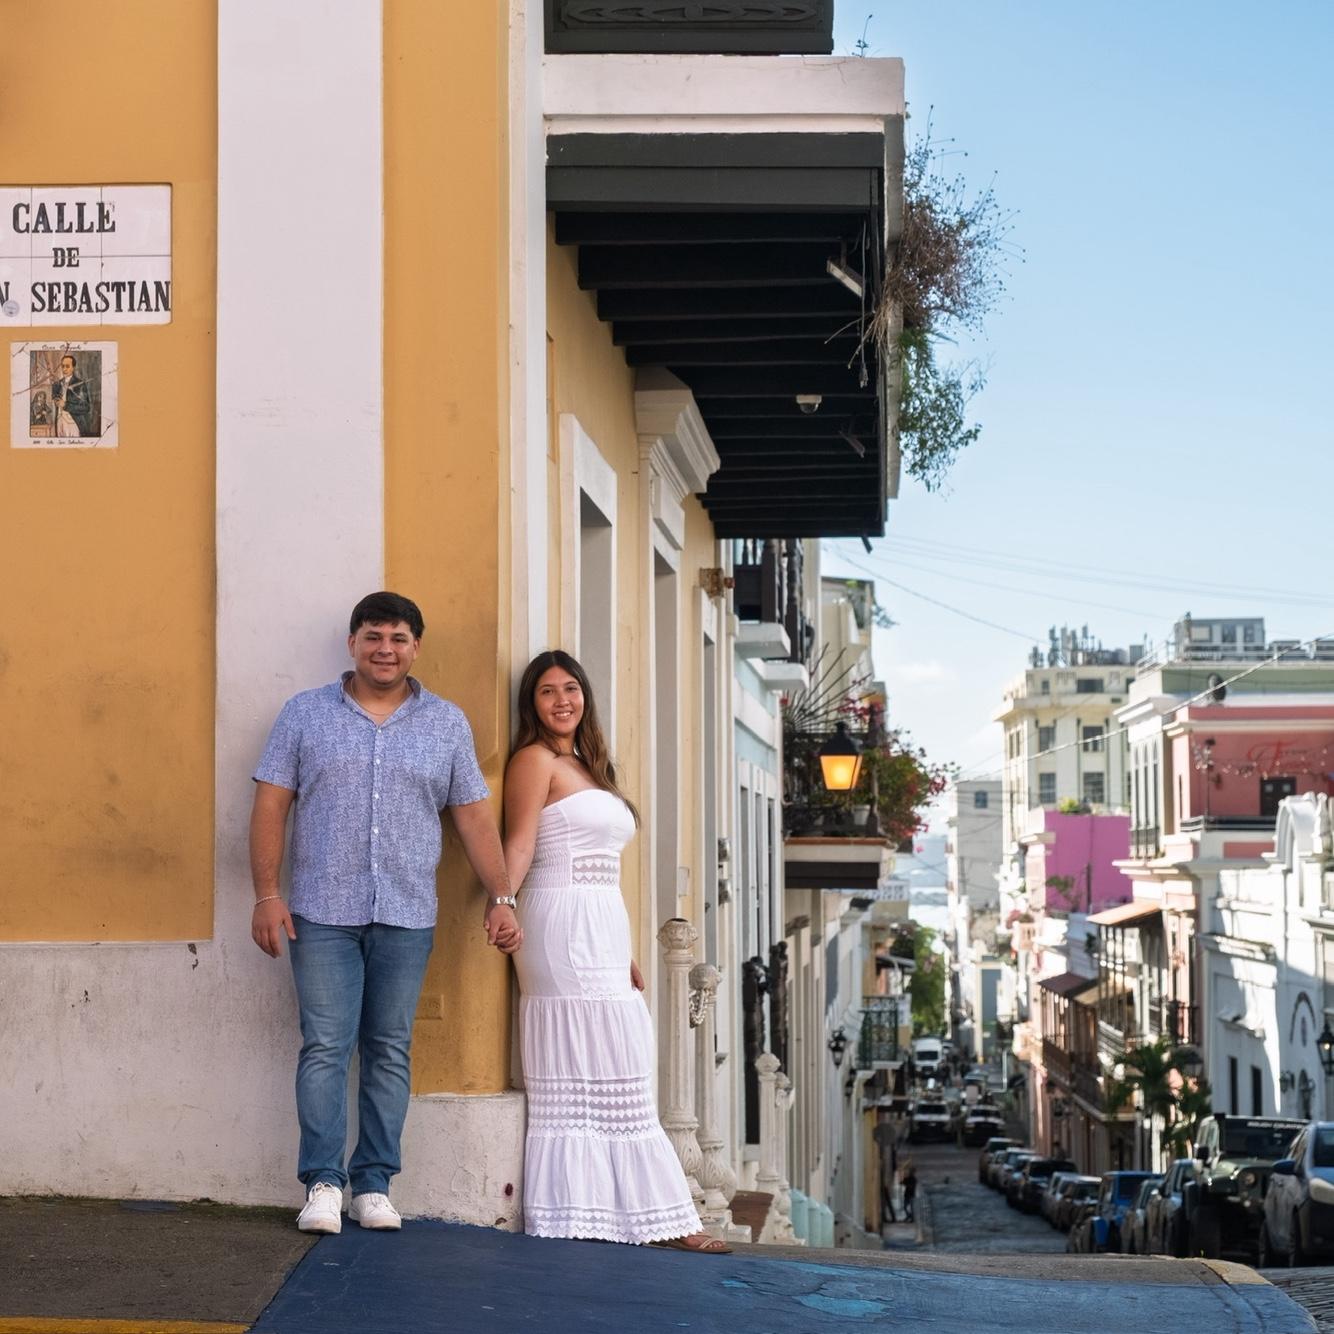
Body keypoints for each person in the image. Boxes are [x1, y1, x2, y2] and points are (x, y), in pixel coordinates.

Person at [249, 591, 519, 1235]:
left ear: (415, 647)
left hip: (406, 912)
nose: (385, 649)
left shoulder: (446, 724)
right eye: (373, 636)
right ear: (353, 643)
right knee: (325, 1046)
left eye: (398, 638)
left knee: (389, 1050)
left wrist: (502, 895)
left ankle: (373, 1185)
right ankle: (322, 1183)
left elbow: (473, 818)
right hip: (320, 911)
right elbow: (270, 806)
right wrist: (266, 893)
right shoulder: (305, 714)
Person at [501, 650, 728, 1253]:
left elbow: (604, 867)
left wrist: (620, 948)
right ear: (532, 704)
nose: (561, 701)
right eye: (547, 691)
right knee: (596, 1055)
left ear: (585, 696)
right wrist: (501, 901)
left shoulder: (589, 765)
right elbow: (519, 845)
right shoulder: (533, 760)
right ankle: (612, 1214)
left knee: (617, 1058)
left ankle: (629, 1214)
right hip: (558, 918)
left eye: (570, 688)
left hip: (599, 924)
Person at [51, 353, 93, 437]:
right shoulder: (57, 384)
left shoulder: (80, 384)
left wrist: (65, 405)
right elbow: (55, 398)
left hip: (74, 423)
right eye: (63, 366)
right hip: (59, 422)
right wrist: (56, 400)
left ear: (73, 367)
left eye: (67, 366)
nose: (64, 369)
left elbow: (86, 407)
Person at [901, 1158, 918, 1223]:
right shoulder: (908, 1178)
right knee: (905, 1207)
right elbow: (902, 1182)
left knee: (911, 1208)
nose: (910, 1173)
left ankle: (911, 1218)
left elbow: (911, 1186)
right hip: (907, 1195)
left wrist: (906, 1184)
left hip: (911, 1195)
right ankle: (909, 1216)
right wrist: (903, 1177)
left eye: (911, 1172)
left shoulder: (914, 1179)